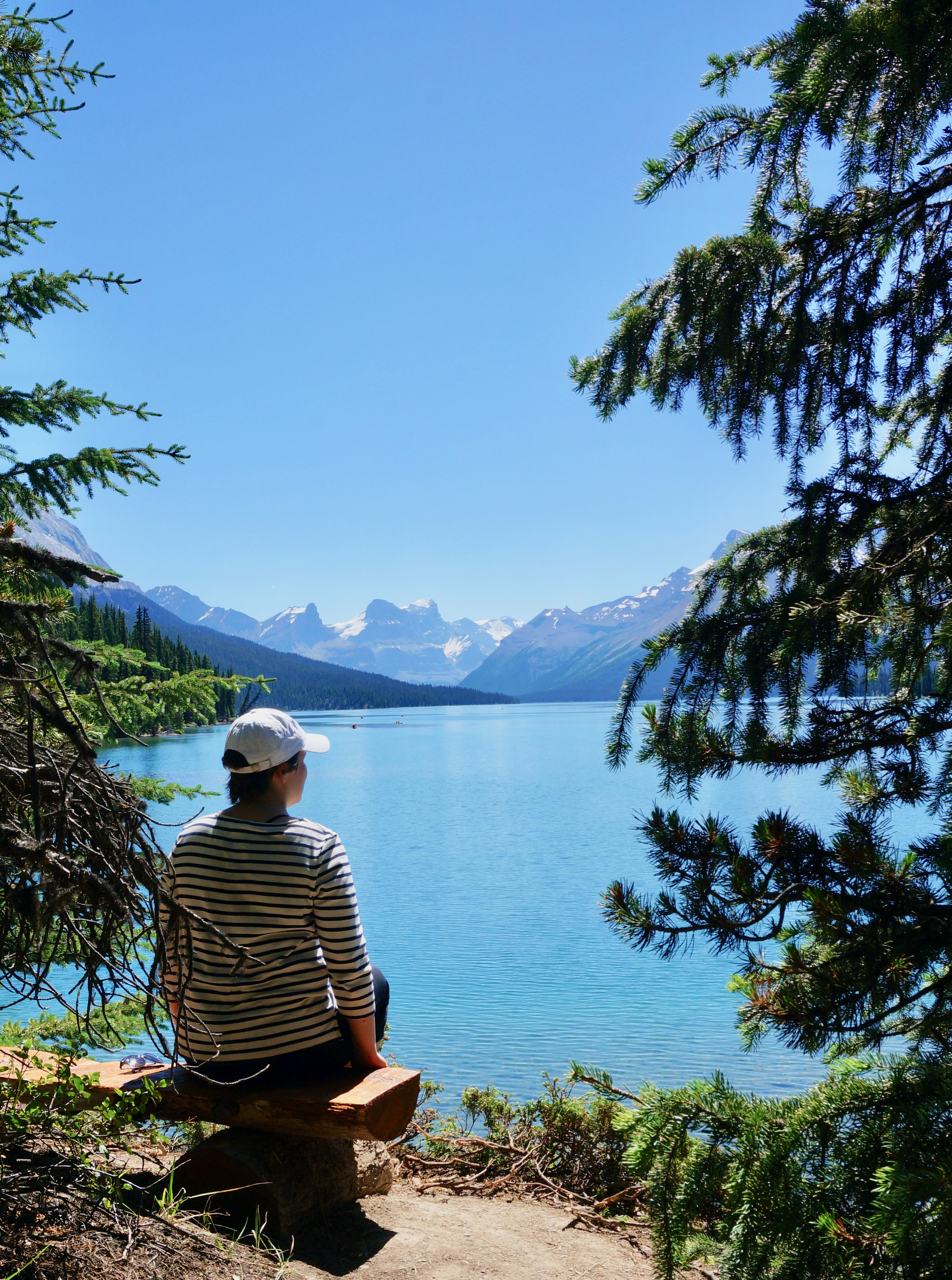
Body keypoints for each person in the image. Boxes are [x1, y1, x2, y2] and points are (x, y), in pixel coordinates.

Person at [161, 708, 389, 1085]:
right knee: (376, 981)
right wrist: (366, 1055)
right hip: (298, 1059)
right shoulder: (318, 845)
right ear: (283, 772)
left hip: (207, 1058)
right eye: (302, 762)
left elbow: (171, 951)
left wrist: (189, 1040)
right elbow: (348, 965)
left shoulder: (188, 840)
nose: (306, 772)